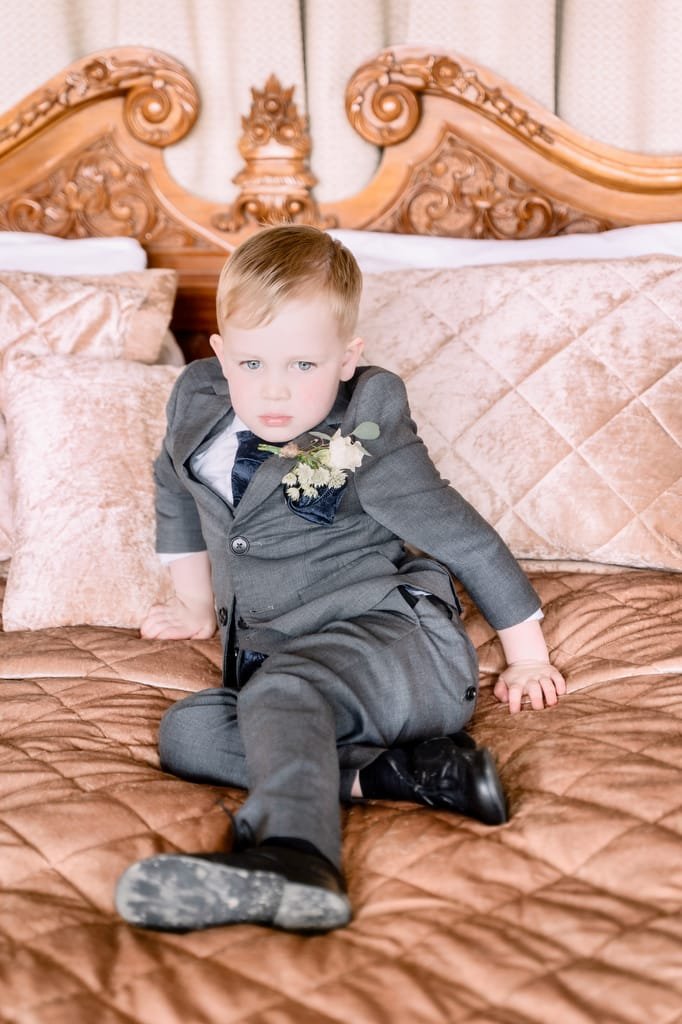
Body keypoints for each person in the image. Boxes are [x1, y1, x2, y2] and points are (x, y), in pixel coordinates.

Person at [115, 225, 565, 934]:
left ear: (347, 359)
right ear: (221, 353)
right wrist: (194, 604)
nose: (273, 390)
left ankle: (296, 858)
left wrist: (529, 655)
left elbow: (463, 536)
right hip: (282, 666)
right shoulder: (196, 403)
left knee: (285, 692)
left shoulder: (368, 428)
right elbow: (174, 490)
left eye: (302, 366)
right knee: (189, 733)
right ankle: (405, 775)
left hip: (395, 645)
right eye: (254, 363)